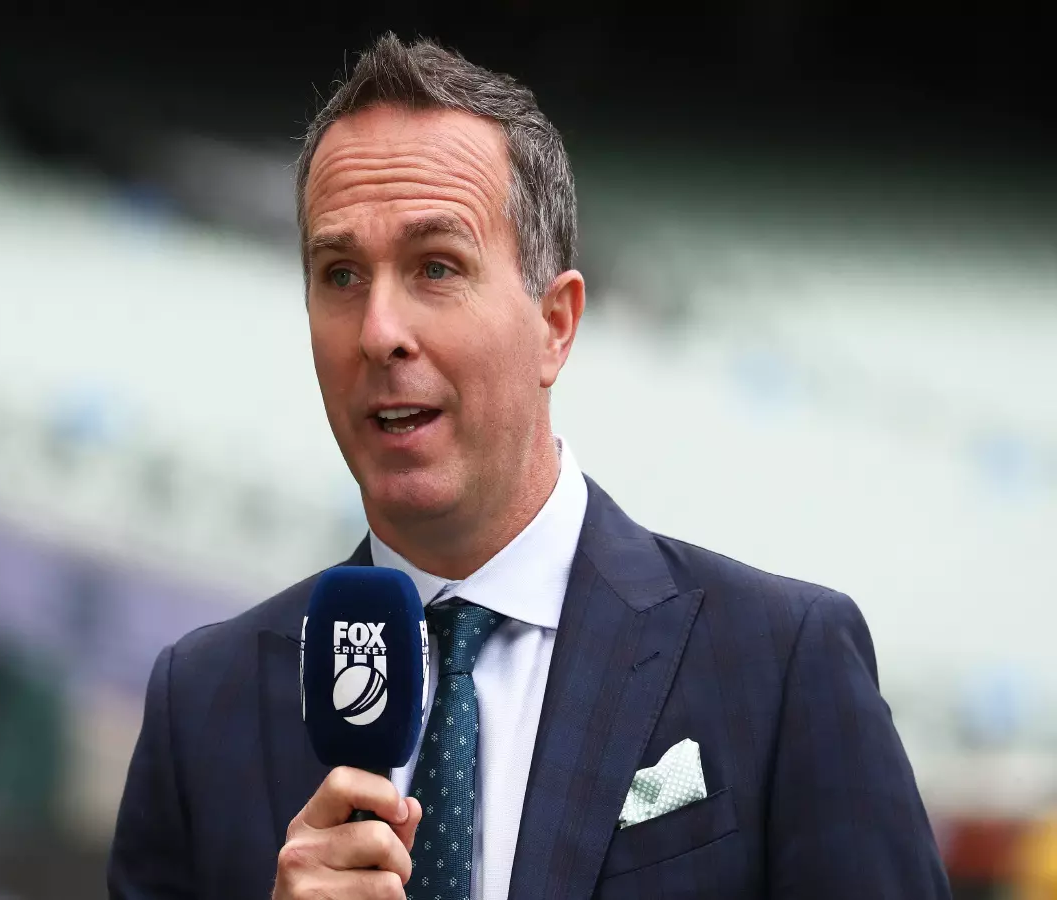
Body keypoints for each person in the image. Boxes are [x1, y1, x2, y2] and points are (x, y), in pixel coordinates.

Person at [108, 33, 952, 900]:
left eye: (436, 267)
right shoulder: (201, 707)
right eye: (340, 274)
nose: (378, 331)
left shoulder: (778, 666)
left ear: (556, 324)